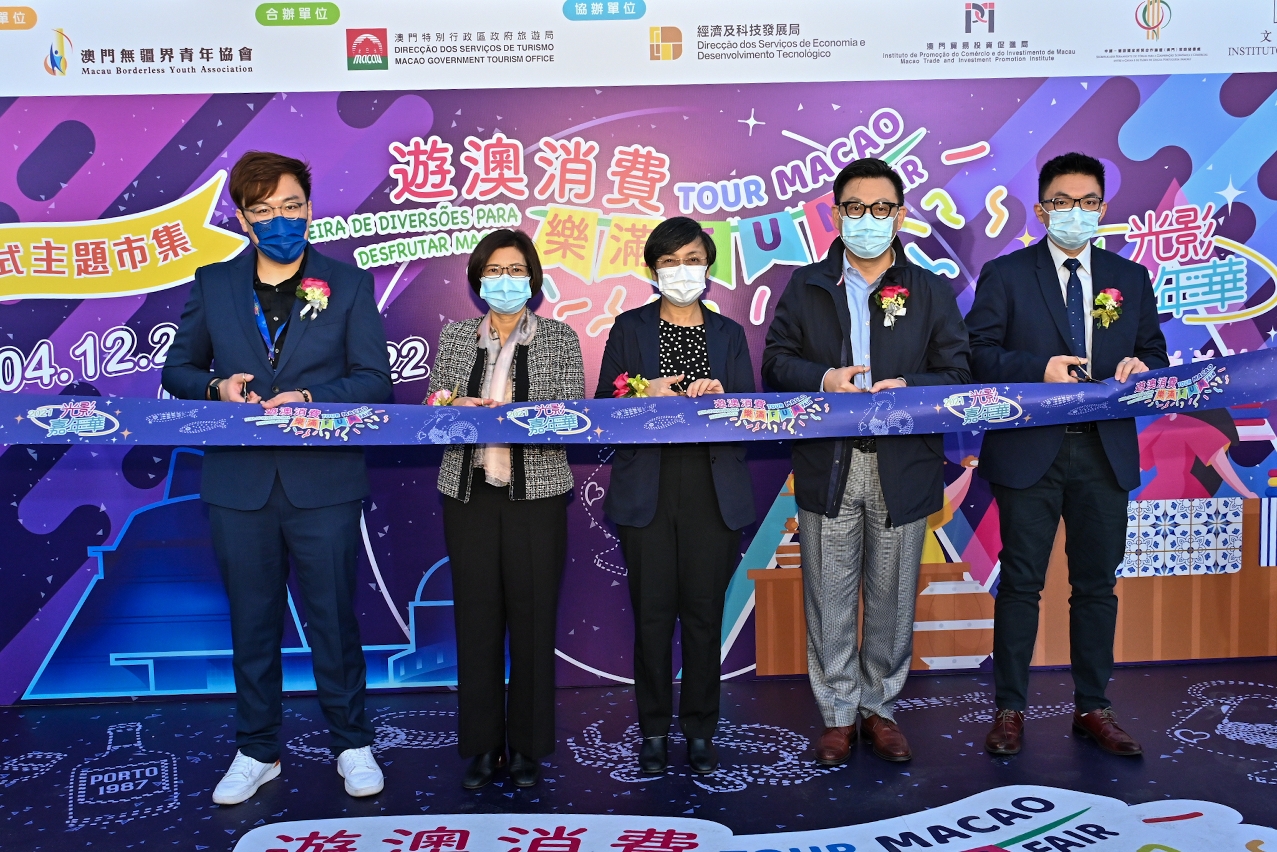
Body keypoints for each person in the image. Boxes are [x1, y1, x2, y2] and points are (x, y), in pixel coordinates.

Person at [162, 151, 392, 804]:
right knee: (252, 622)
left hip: (324, 483)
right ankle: (257, 750)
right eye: (263, 210)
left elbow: (375, 382)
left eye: (292, 206)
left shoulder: (347, 284)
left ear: (309, 209)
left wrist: (312, 400)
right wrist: (216, 387)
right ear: (243, 218)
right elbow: (177, 370)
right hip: (239, 485)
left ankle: (352, 743)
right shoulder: (214, 283)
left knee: (333, 619)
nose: (280, 220)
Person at [762, 158, 970, 764]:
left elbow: (958, 372)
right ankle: (837, 713)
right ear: (836, 213)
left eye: (882, 208)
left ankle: (880, 709)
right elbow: (775, 363)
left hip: (904, 464)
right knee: (828, 596)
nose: (869, 219)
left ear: (899, 216)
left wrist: (911, 387)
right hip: (829, 463)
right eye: (856, 207)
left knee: (892, 597)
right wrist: (823, 378)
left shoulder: (928, 288)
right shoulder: (807, 285)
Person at [966, 151, 1168, 758]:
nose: (1074, 212)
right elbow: (976, 354)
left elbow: (1155, 354)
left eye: (1087, 202)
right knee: (1021, 583)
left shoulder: (1130, 277)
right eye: (1062, 202)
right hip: (1030, 451)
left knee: (1097, 586)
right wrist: (1039, 369)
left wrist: (1141, 368)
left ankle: (1093, 708)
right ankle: (1009, 709)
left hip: (1104, 452)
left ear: (1103, 209)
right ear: (1041, 209)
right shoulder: (1006, 274)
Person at [595, 217, 756, 776]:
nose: (681, 271)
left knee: (704, 617)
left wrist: (722, 397)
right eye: (669, 261)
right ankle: (654, 731)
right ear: (652, 270)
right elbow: (604, 406)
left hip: (713, 490)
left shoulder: (729, 334)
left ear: (708, 266)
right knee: (653, 617)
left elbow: (752, 414)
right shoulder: (629, 328)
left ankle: (701, 730)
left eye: (692, 260)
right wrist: (647, 393)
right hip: (649, 489)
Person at [427, 228, 585, 790]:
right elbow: (435, 405)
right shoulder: (455, 337)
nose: (505, 280)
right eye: (494, 270)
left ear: (533, 279)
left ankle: (527, 747)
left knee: (533, 622)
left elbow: (570, 408)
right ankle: (481, 745)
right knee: (476, 622)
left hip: (535, 497)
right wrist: (457, 407)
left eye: (516, 270)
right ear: (477, 279)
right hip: (468, 494)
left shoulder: (559, 337)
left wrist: (514, 412)